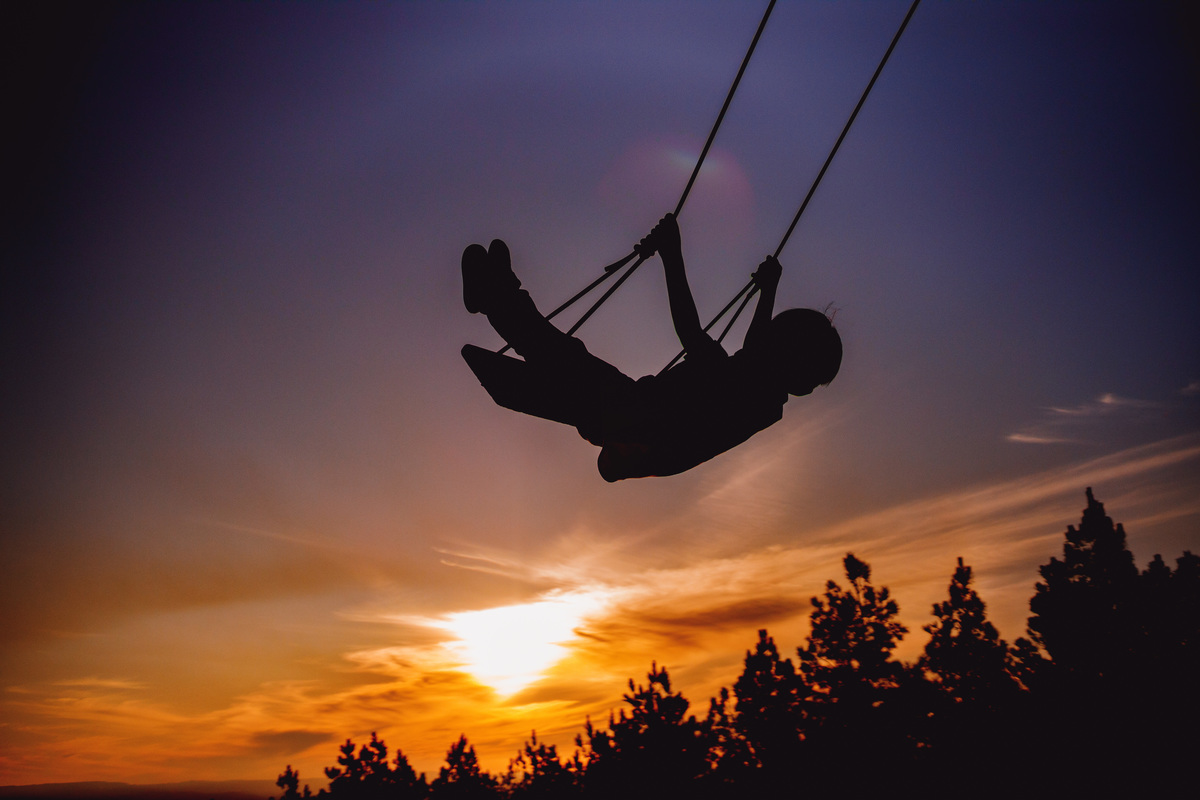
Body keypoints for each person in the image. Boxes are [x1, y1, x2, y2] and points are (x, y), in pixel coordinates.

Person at [461, 214, 841, 481]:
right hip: (638, 423)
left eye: (776, 333)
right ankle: (497, 295)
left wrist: (672, 253)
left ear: (790, 361)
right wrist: (768, 291)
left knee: (566, 360)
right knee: (565, 361)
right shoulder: (756, 396)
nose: (763, 334)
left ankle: (496, 295)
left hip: (638, 425)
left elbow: (696, 334)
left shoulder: (745, 393)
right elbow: (757, 351)